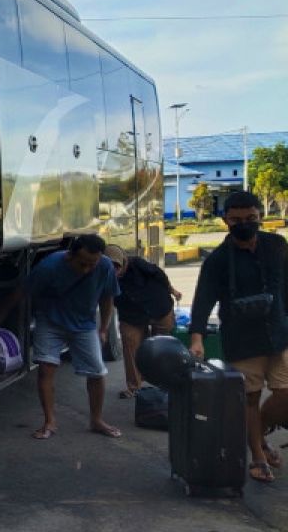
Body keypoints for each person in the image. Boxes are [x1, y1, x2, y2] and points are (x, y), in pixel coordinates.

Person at [189, 190, 288, 483]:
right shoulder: (218, 260)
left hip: (278, 333)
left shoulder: (276, 245)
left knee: (284, 395)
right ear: (225, 221)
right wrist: (196, 338)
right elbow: (202, 301)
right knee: (250, 400)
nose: (244, 224)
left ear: (260, 216)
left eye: (251, 218)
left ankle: (260, 430)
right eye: (236, 220)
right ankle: (257, 455)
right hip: (242, 340)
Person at [27, 233, 122, 440]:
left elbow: (107, 299)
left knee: (97, 372)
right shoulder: (48, 267)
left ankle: (96, 420)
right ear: (70, 256)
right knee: (46, 369)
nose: (87, 269)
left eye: (92, 264)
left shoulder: (105, 266)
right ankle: (49, 421)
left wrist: (103, 328)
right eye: (82, 264)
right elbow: (25, 292)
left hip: (84, 324)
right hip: (50, 320)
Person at [104, 244, 182, 398]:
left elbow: (160, 276)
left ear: (123, 262)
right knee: (130, 344)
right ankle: (134, 387)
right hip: (132, 316)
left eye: (117, 266)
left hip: (159, 308)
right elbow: (105, 300)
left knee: (165, 348)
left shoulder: (138, 264)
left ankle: (165, 384)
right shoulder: (103, 276)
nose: (114, 270)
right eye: (109, 266)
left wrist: (172, 290)